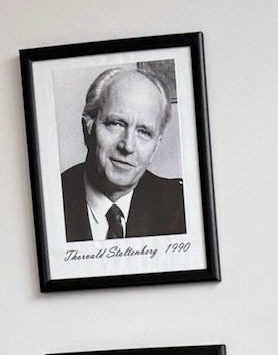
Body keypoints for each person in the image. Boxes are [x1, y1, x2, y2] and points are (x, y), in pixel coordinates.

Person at [61, 64, 187, 241]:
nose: (128, 146)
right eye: (116, 123)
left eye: (144, 132)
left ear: (155, 147)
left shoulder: (183, 207)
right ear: (87, 128)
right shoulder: (51, 200)